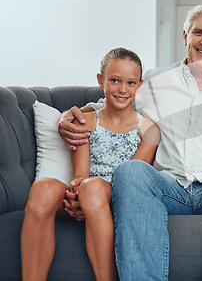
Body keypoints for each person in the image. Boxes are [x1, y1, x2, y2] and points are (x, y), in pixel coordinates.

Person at [58, 3, 202, 280]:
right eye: (198, 32)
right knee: (131, 171)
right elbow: (108, 105)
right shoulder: (153, 81)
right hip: (168, 187)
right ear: (185, 36)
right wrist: (67, 116)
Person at [21, 48, 159, 281]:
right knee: (42, 189)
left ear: (140, 85)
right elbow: (80, 174)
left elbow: (131, 181)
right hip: (84, 192)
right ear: (100, 80)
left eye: (130, 82)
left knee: (93, 188)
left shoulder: (149, 130)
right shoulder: (86, 121)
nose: (122, 89)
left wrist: (88, 194)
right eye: (114, 80)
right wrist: (77, 195)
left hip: (114, 196)